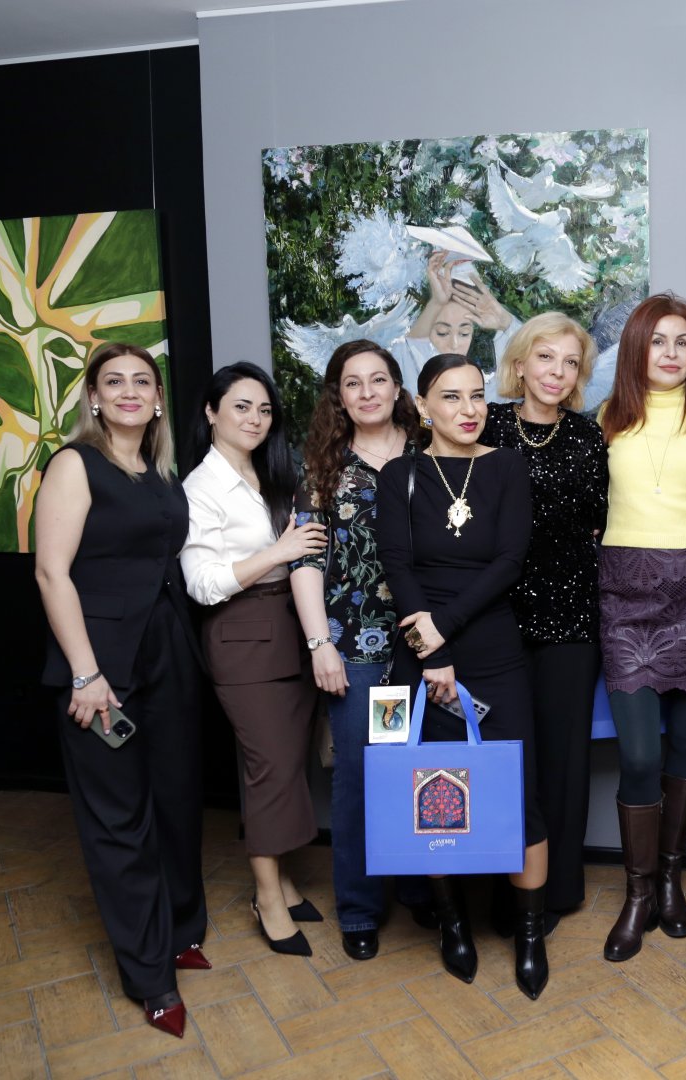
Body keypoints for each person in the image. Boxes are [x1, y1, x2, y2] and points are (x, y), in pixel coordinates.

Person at [34, 342, 207, 1038]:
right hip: (100, 667)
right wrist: (85, 672)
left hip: (168, 653)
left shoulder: (159, 474)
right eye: (115, 381)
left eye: (143, 381)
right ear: (94, 397)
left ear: (159, 399)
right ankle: (150, 976)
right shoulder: (76, 464)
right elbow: (51, 573)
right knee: (119, 823)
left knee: (177, 801)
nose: (130, 390)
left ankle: (181, 931)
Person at [377, 353, 551, 1001]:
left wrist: (441, 630)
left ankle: (529, 937)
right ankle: (452, 924)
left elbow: (509, 561)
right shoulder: (400, 475)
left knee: (519, 794)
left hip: (493, 652)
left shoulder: (507, 466)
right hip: (417, 655)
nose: (469, 408)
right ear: (423, 406)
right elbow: (397, 565)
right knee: (431, 794)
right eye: (450, 397)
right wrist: (429, 655)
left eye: (476, 395)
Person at [597, 292, 686, 962]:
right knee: (638, 756)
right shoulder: (606, 418)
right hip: (625, 595)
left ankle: (670, 881)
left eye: (682, 341)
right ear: (636, 347)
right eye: (658, 340)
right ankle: (636, 894)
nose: (671, 352)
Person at [181, 362, 327, 958]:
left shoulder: (271, 473)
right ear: (211, 412)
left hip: (288, 629)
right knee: (269, 769)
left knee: (287, 766)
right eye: (241, 406)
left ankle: (284, 882)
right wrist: (279, 551)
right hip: (241, 638)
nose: (255, 419)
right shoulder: (200, 487)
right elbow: (202, 584)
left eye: (264, 409)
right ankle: (267, 897)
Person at [291, 339, 421, 963]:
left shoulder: (431, 451)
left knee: (422, 766)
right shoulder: (324, 467)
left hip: (429, 644)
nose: (367, 392)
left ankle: (423, 891)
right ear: (338, 397)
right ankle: (361, 909)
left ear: (397, 387)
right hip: (360, 649)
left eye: (378, 379)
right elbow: (305, 561)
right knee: (365, 774)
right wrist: (321, 644)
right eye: (352, 382)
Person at [483, 313, 608, 927]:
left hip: (570, 620)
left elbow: (603, 524)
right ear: (520, 363)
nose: (557, 372)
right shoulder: (486, 425)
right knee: (501, 756)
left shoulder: (588, 437)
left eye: (570, 362)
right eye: (546, 357)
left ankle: (554, 891)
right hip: (493, 617)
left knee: (561, 759)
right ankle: (498, 885)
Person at [400, 250, 520, 391]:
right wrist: (436, 303)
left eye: (464, 333)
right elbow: (409, 351)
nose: (454, 345)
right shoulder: (413, 379)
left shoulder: (487, 392)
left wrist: (506, 323)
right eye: (442, 332)